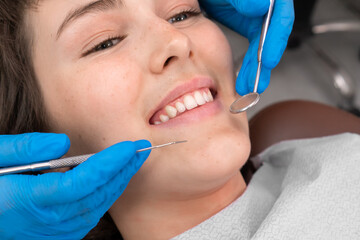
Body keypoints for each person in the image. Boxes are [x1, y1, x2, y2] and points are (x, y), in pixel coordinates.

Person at [0, 0, 297, 239]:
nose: (177, 41)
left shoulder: (313, 143)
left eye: (182, 13)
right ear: (32, 129)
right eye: (106, 42)